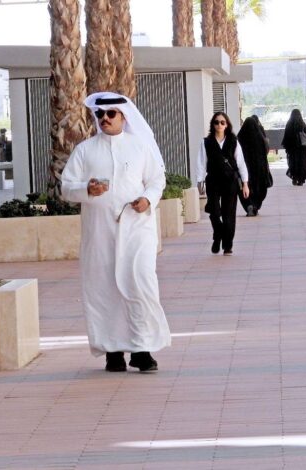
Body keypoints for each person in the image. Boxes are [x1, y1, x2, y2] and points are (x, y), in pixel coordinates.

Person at [61, 91, 171, 373]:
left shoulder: (140, 146)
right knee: (104, 289)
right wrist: (86, 189)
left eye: (111, 114)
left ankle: (142, 350)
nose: (105, 119)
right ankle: (113, 352)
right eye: (100, 114)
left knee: (141, 283)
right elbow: (66, 187)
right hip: (99, 232)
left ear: (124, 117)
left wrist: (147, 199)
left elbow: (156, 180)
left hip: (137, 229)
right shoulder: (84, 150)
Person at [196, 112, 250, 255]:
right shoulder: (206, 142)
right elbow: (201, 163)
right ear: (212, 124)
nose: (219, 125)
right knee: (214, 211)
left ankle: (227, 245)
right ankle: (218, 233)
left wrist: (245, 183)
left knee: (229, 214)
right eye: (216, 122)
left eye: (222, 122)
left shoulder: (233, 141)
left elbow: (241, 162)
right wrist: (200, 181)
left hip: (230, 181)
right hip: (213, 180)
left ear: (227, 125)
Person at [237, 115, 270, 216]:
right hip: (259, 168)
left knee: (244, 187)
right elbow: (266, 151)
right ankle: (255, 205)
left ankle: (248, 205)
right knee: (258, 187)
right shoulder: (260, 138)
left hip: (244, 169)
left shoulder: (240, 138)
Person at [281, 109, 306, 186]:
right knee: (302, 163)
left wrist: (287, 147)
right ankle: (301, 180)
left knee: (293, 163)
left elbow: (286, 137)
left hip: (292, 149)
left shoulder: (289, 124)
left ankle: (294, 178)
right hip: (302, 149)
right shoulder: (302, 124)